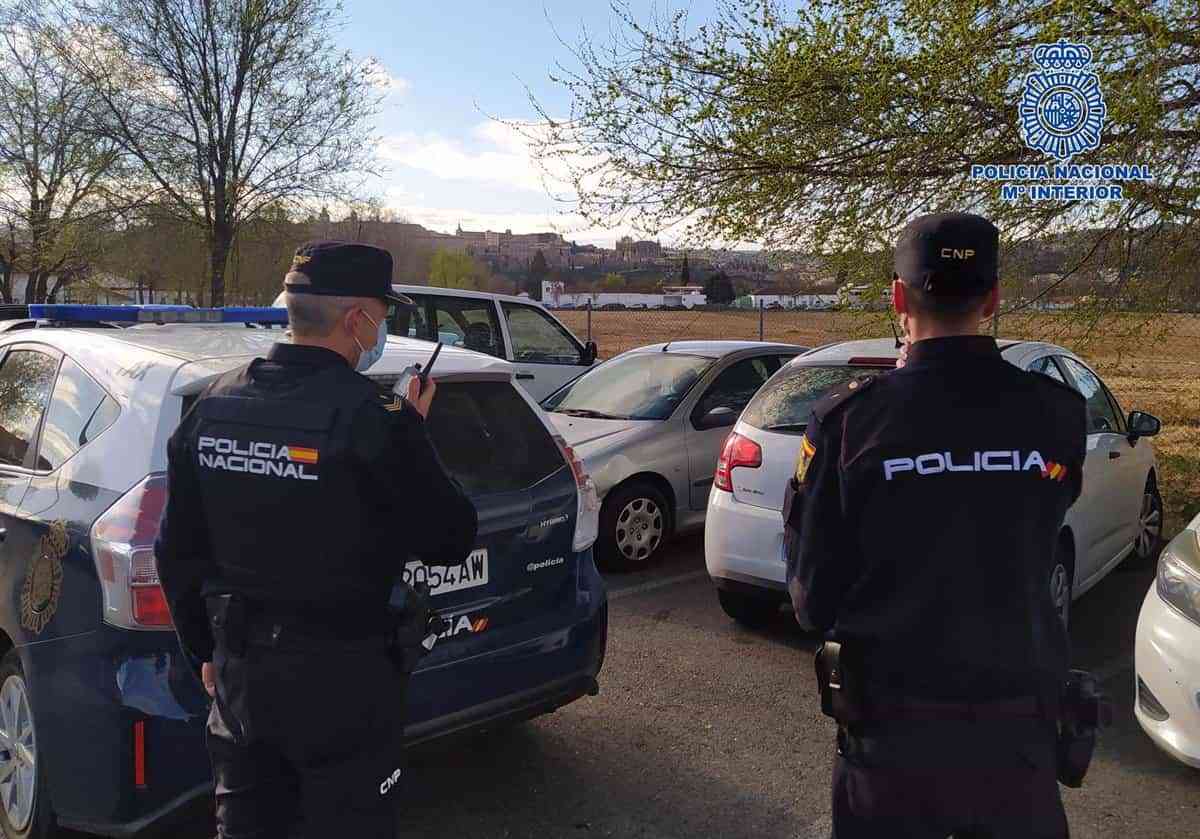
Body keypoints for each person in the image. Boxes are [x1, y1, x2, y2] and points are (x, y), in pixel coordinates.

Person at [155, 241, 478, 839]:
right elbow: (451, 537)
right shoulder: (376, 421)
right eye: (382, 318)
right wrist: (414, 435)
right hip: (344, 685)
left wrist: (203, 650)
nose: (382, 332)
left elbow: (175, 549)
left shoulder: (212, 404)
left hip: (242, 681)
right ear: (358, 320)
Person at [782, 212, 1087, 839]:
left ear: (898, 297)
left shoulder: (849, 424)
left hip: (893, 745)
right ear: (994, 298)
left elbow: (813, 601)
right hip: (1017, 744)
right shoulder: (1056, 414)